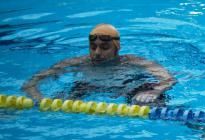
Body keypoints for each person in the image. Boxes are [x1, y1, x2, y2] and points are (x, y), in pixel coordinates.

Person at [22, 23, 176, 106]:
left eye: (104, 48)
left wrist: (155, 91)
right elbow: (31, 83)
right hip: (87, 88)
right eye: (93, 47)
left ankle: (196, 127)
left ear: (117, 48)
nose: (96, 53)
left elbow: (169, 78)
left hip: (129, 88)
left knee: (151, 103)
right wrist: (38, 98)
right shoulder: (77, 63)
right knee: (57, 101)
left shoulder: (134, 61)